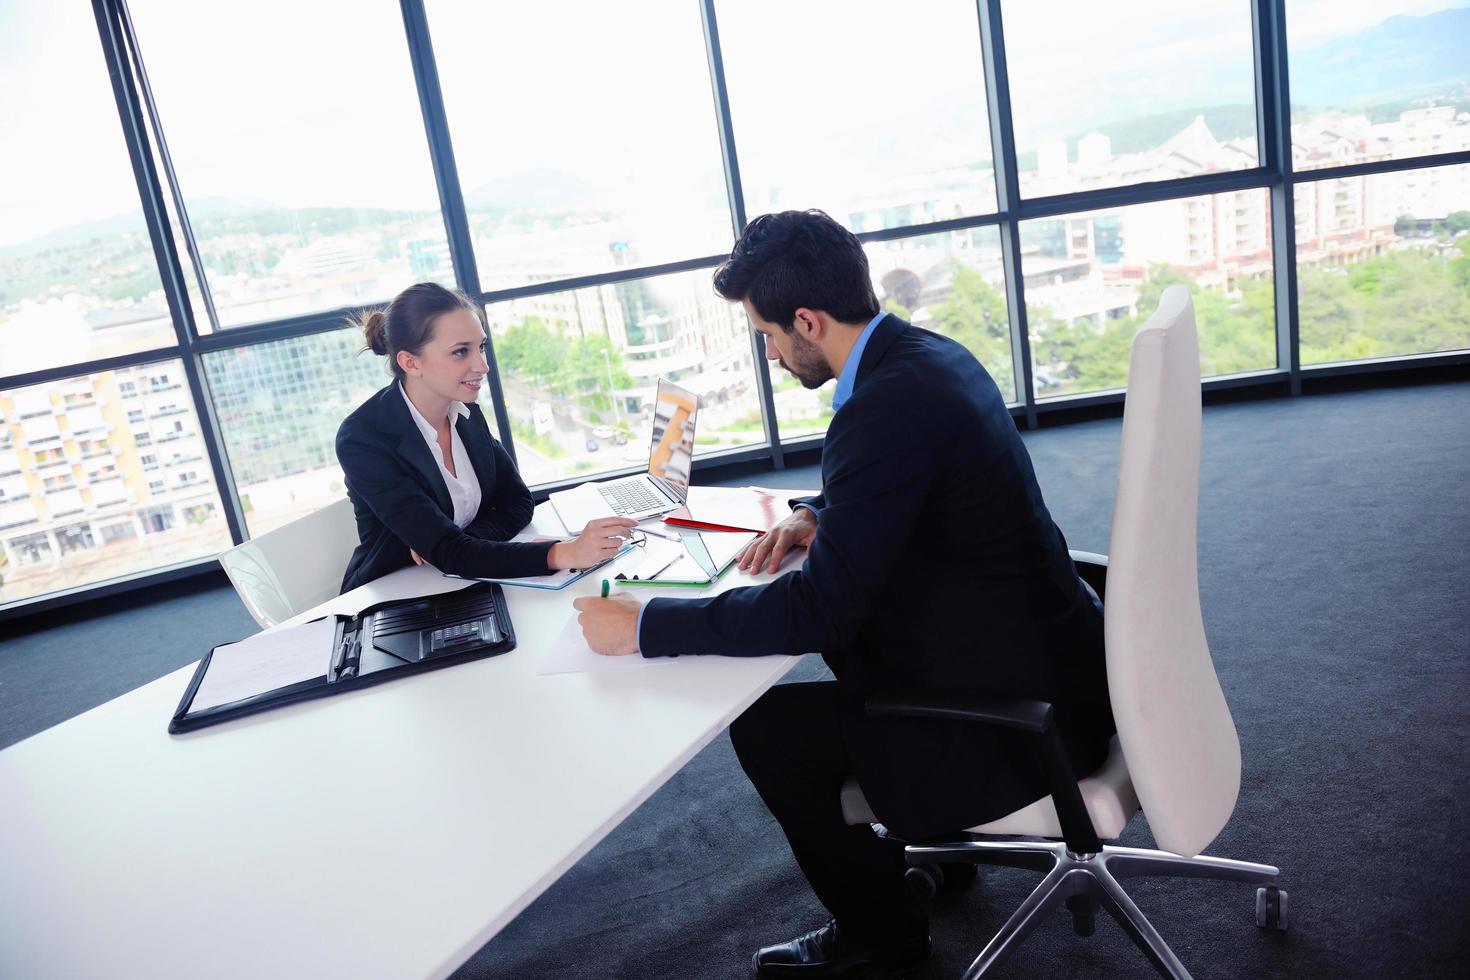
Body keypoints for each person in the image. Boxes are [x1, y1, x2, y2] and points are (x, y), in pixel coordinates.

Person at [573, 211, 1115, 977]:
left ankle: (884, 940)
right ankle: (943, 857)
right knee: (841, 672)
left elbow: (820, 610)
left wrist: (643, 626)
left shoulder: (881, 409)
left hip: (1021, 726)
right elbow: (919, 489)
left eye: (767, 334)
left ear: (808, 320)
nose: (769, 352)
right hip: (1063, 670)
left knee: (770, 731)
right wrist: (815, 516)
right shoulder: (929, 359)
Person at [336, 282, 634, 593]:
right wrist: (565, 553)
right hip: (394, 596)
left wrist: (461, 543)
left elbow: (518, 502)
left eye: (481, 347)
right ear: (410, 362)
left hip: (462, 579)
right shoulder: (364, 438)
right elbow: (452, 552)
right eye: (460, 352)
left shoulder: (465, 413)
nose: (483, 365)